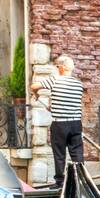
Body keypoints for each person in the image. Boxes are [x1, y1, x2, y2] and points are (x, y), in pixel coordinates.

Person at [32, 54, 84, 184]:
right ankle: (80, 180)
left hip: (60, 124)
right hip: (76, 123)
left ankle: (60, 182)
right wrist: (53, 106)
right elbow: (69, 101)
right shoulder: (79, 84)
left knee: (60, 154)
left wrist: (36, 94)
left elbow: (34, 86)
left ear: (60, 68)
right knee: (77, 153)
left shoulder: (55, 80)